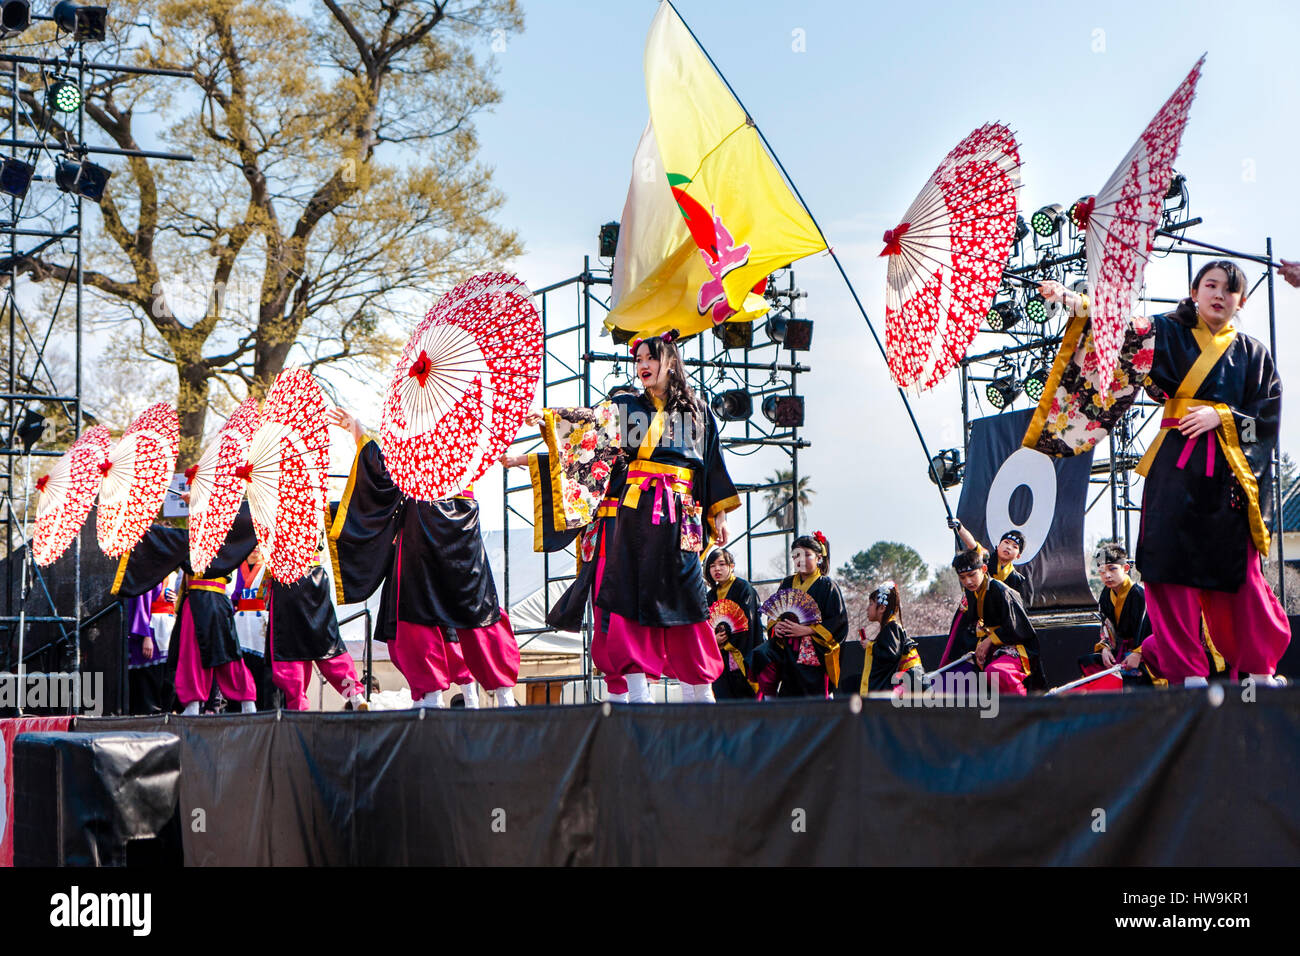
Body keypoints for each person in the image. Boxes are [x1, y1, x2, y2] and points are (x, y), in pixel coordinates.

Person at [1035, 263, 1289, 686]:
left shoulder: (1254, 354)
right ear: (1194, 290)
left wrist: (1220, 415)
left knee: (1240, 573)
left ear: (1241, 301)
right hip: (1175, 469)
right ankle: (1187, 672)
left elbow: (1268, 416)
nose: (1220, 295)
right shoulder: (1167, 332)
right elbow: (1122, 328)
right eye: (1211, 285)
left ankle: (1259, 668)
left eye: (1230, 290)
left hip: (1230, 474)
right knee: (1170, 573)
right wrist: (1073, 300)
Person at [505, 330, 740, 703]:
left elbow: (712, 464)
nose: (643, 366)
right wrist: (551, 418)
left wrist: (721, 515)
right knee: (630, 599)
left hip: (682, 514)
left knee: (690, 600)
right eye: (638, 360)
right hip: (634, 513)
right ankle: (637, 689)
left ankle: (700, 692)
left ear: (670, 361)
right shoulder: (627, 406)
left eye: (650, 358)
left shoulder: (697, 409)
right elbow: (589, 432)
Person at [328, 407, 521, 709]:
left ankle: (435, 694)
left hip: (428, 519)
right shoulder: (472, 427)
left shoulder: (415, 437)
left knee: (430, 607)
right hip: (456, 520)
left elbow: (383, 473)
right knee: (472, 605)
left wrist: (359, 432)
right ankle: (497, 692)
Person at [266, 538, 368, 711]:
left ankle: (299, 706)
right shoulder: (314, 511)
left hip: (286, 581)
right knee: (328, 644)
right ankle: (355, 695)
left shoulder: (270, 512)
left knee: (292, 651)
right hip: (316, 577)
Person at [751, 532, 848, 698]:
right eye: (796, 556)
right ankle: (769, 698)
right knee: (761, 655)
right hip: (785, 641)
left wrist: (807, 630)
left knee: (808, 678)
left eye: (806, 555)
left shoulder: (828, 586)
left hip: (813, 645)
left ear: (819, 558)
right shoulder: (788, 583)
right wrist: (777, 626)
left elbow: (838, 622)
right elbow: (775, 612)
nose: (800, 560)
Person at [940, 547, 1045, 695]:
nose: (968, 581)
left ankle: (1024, 710)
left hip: (1014, 646)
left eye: (971, 575)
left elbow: (1018, 628)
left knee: (997, 672)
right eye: (962, 577)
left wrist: (989, 641)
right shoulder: (971, 595)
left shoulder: (1003, 591)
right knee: (950, 679)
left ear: (983, 569)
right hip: (986, 649)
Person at [1077, 543, 1155, 688]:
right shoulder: (1105, 595)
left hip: (1143, 653)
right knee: (1090, 662)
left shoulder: (1140, 595)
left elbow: (1149, 631)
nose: (1107, 575)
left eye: (1112, 569)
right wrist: (1106, 648)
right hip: (1120, 651)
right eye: (1102, 571)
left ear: (1125, 568)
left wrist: (1138, 653)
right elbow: (1107, 628)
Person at [705, 548, 762, 700]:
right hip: (718, 656)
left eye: (721, 564)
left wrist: (728, 642)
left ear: (731, 566)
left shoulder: (744, 589)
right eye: (712, 565)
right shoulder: (710, 596)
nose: (716, 569)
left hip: (742, 655)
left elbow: (747, 624)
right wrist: (713, 640)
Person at [858, 581, 924, 694]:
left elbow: (890, 654)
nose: (867, 609)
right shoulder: (889, 627)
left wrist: (870, 645)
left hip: (908, 682)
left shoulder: (891, 627)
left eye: (870, 604)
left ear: (882, 608)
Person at [948, 518, 1032, 606]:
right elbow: (973, 545)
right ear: (998, 546)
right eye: (1006, 542)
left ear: (1018, 556)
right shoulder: (986, 558)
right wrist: (960, 527)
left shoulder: (1018, 580)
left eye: (1014, 547)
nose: (1008, 547)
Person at [126, 577, 175, 714]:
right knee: (149, 681)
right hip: (152, 631)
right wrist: (146, 636)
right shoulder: (149, 574)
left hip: (167, 631)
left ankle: (165, 713)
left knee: (167, 680)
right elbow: (141, 607)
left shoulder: (170, 573)